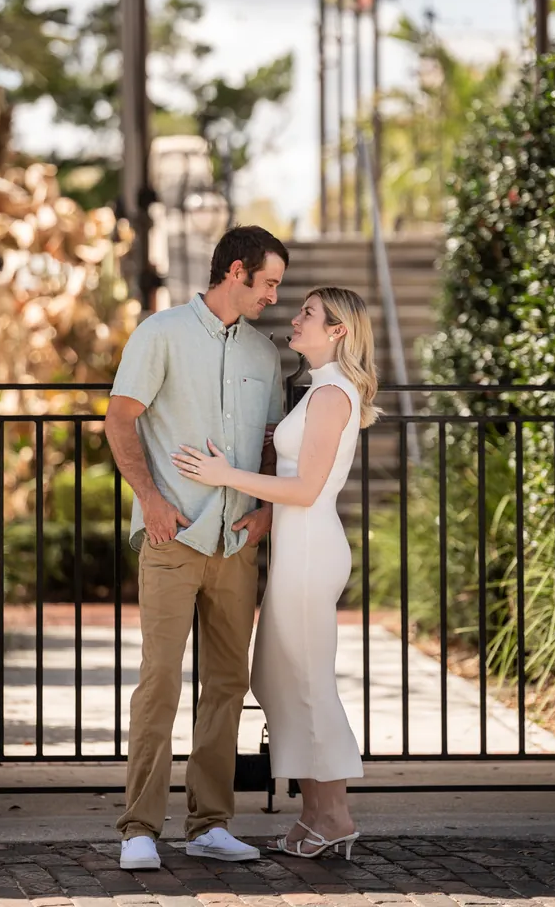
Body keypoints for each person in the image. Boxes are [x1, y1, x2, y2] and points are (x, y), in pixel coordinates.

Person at [173, 286, 379, 861]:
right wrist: (275, 444)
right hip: (298, 549)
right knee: (280, 681)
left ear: (337, 330)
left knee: (308, 686)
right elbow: (300, 464)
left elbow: (307, 489)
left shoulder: (333, 393)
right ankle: (315, 812)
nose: (296, 318)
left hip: (312, 551)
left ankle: (333, 816)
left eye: (308, 313)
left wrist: (226, 475)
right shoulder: (320, 391)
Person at [105, 225, 287, 872]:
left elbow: (270, 443)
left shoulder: (265, 356)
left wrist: (265, 510)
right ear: (234, 271)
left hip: (237, 542)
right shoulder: (160, 334)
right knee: (159, 681)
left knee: (228, 683)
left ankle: (210, 822)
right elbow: (119, 417)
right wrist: (150, 499)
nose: (273, 296)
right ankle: (139, 829)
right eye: (267, 282)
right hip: (173, 536)